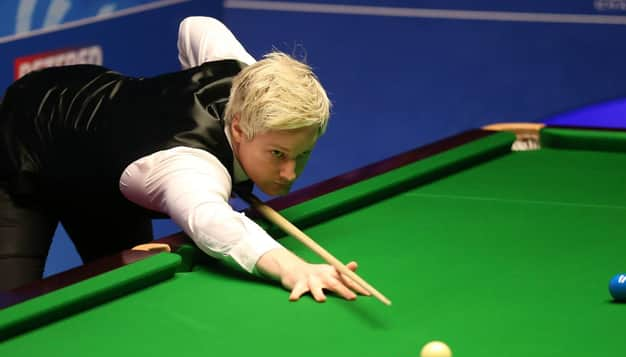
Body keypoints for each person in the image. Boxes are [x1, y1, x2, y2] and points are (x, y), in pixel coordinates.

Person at [0, 16, 368, 302]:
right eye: (277, 154)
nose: (290, 173)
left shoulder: (245, 77)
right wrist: (293, 268)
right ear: (238, 128)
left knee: (127, 294)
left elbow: (196, 26)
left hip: (107, 167)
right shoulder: (187, 169)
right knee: (8, 303)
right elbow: (215, 225)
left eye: (302, 154)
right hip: (30, 136)